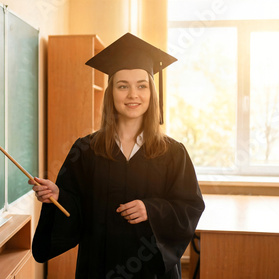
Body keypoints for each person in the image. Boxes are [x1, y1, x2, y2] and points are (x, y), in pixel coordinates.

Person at [29, 33, 205, 279]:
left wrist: (152, 209)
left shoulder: (173, 152)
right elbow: (76, 206)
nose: (133, 94)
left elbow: (190, 206)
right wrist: (59, 197)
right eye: (123, 86)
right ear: (111, 92)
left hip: (151, 270)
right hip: (99, 268)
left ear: (152, 93)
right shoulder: (86, 150)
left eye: (141, 85)